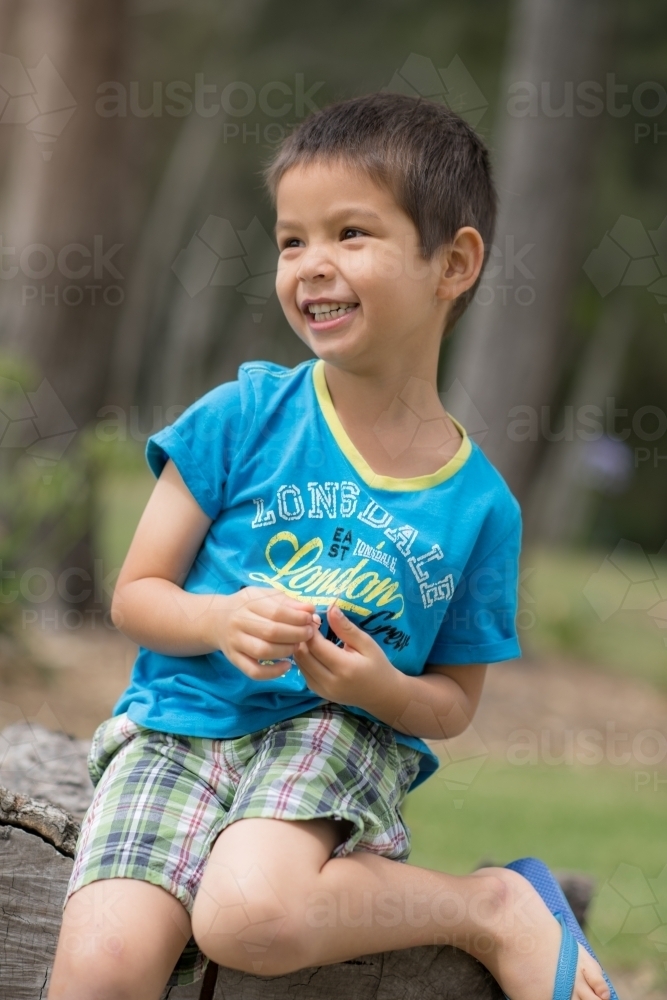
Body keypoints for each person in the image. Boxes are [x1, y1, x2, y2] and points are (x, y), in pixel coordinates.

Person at [48, 93, 611, 1000]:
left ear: (453, 263)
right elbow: (137, 594)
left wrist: (377, 688)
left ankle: (491, 905)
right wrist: (219, 615)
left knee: (249, 916)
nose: (311, 266)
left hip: (331, 735)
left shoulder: (478, 510)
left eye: (351, 234)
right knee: (101, 970)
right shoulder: (242, 416)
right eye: (290, 240)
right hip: (175, 728)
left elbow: (450, 704)